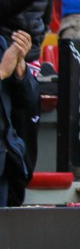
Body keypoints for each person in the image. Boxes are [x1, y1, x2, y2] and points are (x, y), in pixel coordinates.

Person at [0, 29, 37, 207]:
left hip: (5, 160)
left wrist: (20, 69)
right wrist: (1, 72)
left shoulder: (1, 42)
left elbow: (27, 101)